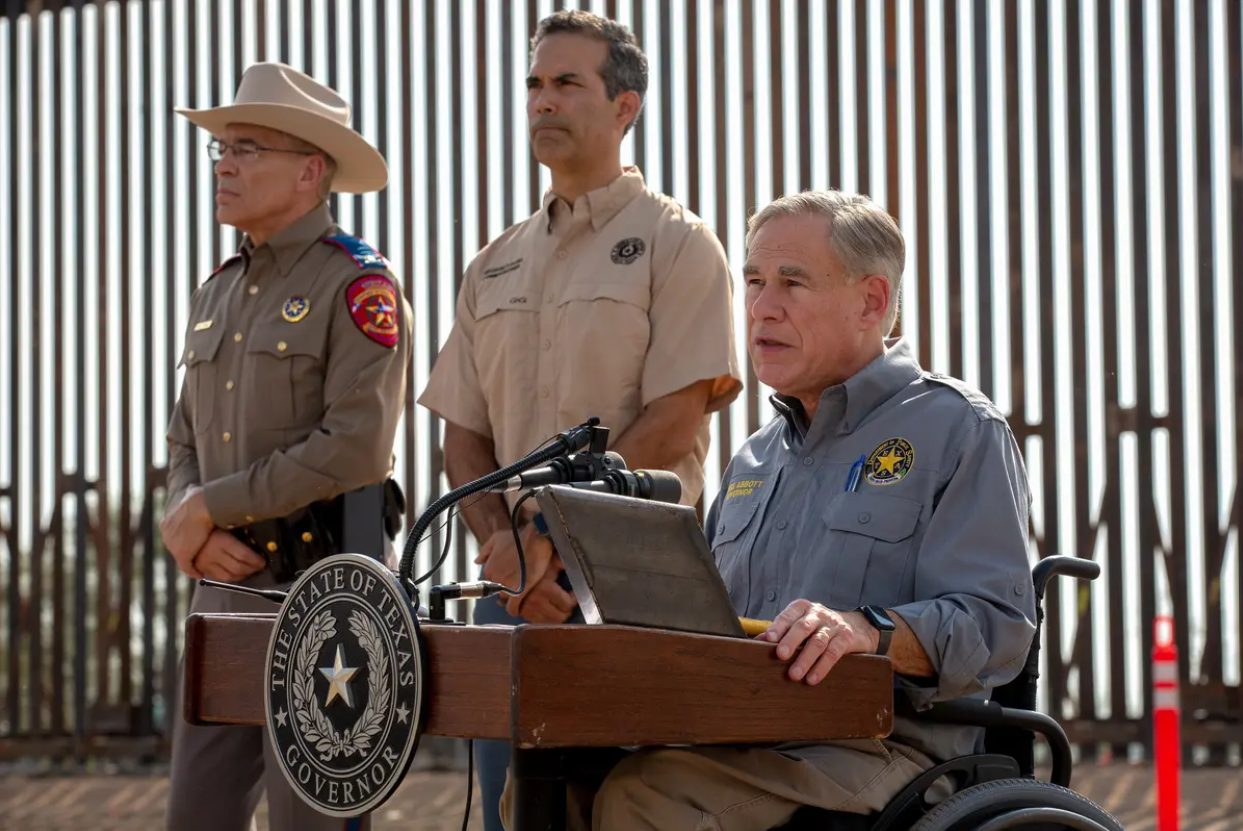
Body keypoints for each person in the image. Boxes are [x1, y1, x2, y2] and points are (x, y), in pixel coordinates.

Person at [502, 190, 1038, 830]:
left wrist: (868, 630)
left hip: (884, 748)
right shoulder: (754, 459)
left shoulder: (956, 429)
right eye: (753, 281)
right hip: (741, 731)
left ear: (872, 301)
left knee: (644, 800)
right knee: (546, 779)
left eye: (793, 282)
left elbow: (998, 625)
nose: (761, 307)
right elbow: (709, 631)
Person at [416, 10, 742, 830]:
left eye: (567, 83)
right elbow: (463, 429)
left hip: (631, 592)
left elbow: (672, 421)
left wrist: (545, 542)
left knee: (618, 812)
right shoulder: (491, 262)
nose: (542, 102)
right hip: (514, 597)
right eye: (534, 83)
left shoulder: (677, 243)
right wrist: (503, 550)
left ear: (624, 107)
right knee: (507, 815)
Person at [159, 62, 412, 831]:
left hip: (323, 592)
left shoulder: (358, 284)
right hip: (223, 589)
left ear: (309, 171)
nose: (224, 164)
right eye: (220, 149)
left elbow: (356, 448)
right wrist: (186, 521)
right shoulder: (219, 288)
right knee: (195, 816)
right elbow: (183, 437)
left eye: (247, 148)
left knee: (312, 822)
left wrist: (211, 505)